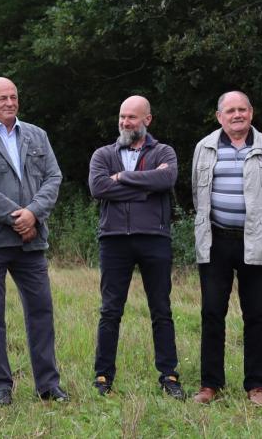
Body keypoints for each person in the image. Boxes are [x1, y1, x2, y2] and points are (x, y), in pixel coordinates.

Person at [0, 76, 67, 406]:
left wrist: (33, 214)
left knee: (41, 311)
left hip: (30, 242)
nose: (9, 102)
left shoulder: (36, 135)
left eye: (14, 97)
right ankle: (0, 386)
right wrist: (18, 217)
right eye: (2, 98)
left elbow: (53, 177)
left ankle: (48, 385)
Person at [190, 90, 262, 406]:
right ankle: (210, 385)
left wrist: (260, 223)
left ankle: (256, 387)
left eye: (242, 109)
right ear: (220, 117)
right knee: (212, 312)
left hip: (255, 241)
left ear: (251, 113)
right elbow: (197, 194)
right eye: (230, 110)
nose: (237, 115)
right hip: (216, 241)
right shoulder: (203, 148)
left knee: (256, 314)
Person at [87, 95, 184, 399]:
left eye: (132, 117)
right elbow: (98, 188)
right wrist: (144, 187)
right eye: (122, 116)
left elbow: (166, 179)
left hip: (154, 238)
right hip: (114, 240)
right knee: (110, 310)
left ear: (147, 120)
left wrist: (125, 178)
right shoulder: (103, 154)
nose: (125, 122)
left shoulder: (163, 151)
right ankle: (103, 376)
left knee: (161, 310)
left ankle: (169, 376)